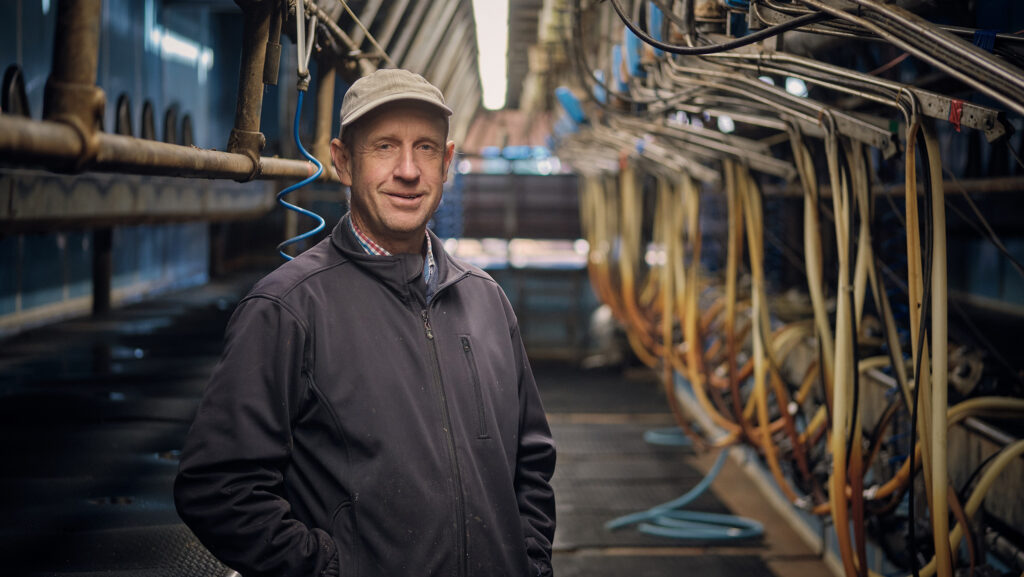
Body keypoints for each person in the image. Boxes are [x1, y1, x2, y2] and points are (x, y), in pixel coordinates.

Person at [174, 69, 557, 577]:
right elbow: (218, 487)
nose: (407, 170)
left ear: (446, 164)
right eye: (383, 147)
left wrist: (528, 562)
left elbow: (531, 464)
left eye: (425, 148)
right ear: (343, 162)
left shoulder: (485, 300)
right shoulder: (287, 309)